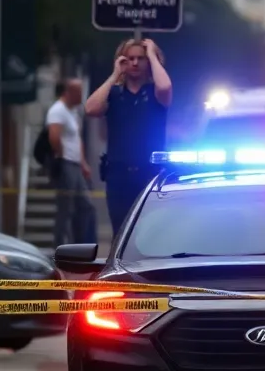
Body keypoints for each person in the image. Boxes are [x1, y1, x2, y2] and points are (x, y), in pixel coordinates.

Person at [84, 37, 172, 234]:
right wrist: (115, 74)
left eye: (140, 58)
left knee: (151, 231)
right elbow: (90, 108)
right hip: (118, 175)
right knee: (121, 231)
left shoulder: (155, 92)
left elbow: (166, 87)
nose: (134, 63)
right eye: (129, 58)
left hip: (150, 173)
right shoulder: (114, 94)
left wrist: (152, 54)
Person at [46, 78, 97, 246]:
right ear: (70, 92)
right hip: (66, 163)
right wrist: (61, 155)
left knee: (86, 205)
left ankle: (79, 243)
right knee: (65, 209)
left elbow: (77, 139)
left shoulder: (73, 112)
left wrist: (83, 163)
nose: (81, 97)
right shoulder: (57, 110)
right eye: (79, 93)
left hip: (76, 164)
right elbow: (54, 136)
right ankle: (59, 246)